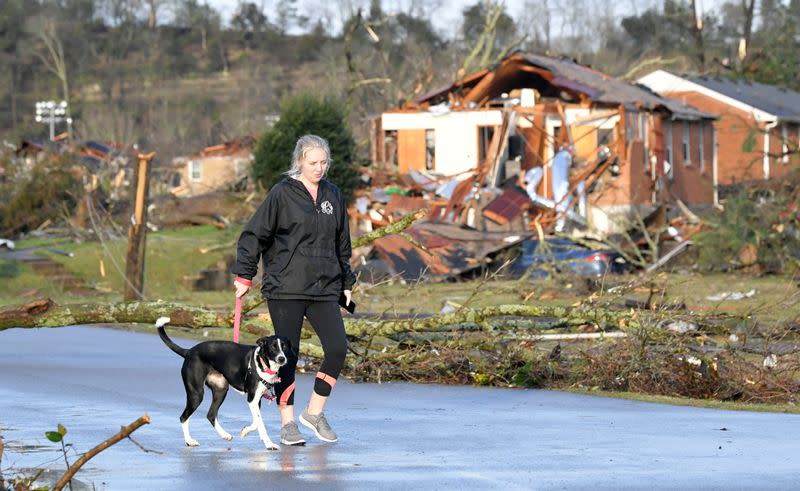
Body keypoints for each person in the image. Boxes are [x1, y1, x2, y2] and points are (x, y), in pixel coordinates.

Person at [232, 134, 356, 446]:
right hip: (285, 287)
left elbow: (343, 243)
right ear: (299, 161)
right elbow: (253, 235)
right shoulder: (282, 194)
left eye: (323, 162)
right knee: (288, 355)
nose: (319, 168)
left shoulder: (333, 195)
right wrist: (244, 275)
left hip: (325, 287)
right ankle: (287, 423)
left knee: (338, 348)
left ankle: (314, 412)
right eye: (313, 162)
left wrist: (346, 283)